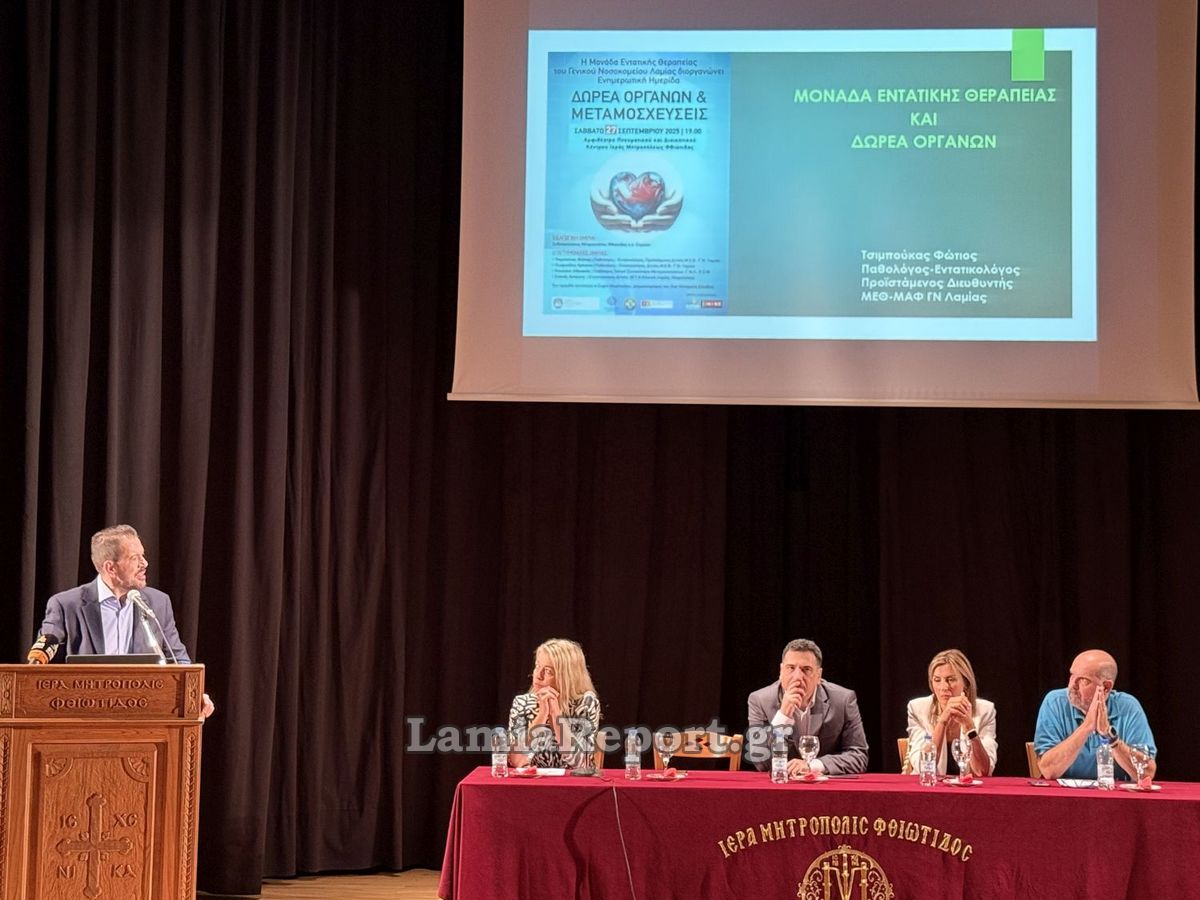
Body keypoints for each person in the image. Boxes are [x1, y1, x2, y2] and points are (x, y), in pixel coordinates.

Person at [36, 524, 215, 718]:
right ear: (111, 568)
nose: (144, 563)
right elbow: (43, 664)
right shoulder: (66, 605)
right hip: (84, 716)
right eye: (134, 558)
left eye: (142, 556)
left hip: (142, 717)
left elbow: (177, 657)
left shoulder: (158, 602)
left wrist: (195, 693)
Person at [747, 638, 868, 776]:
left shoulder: (843, 700)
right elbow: (761, 762)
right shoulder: (760, 700)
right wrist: (783, 715)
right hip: (783, 784)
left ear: (818, 675)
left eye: (806, 669)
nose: (798, 677)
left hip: (824, 785)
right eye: (791, 668)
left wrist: (813, 765)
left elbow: (859, 755)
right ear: (781, 671)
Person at [1034, 649, 1156, 782]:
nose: (1072, 686)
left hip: (1113, 792)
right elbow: (1048, 771)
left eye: (1083, 680)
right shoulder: (1054, 702)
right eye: (1072, 675)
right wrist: (1087, 727)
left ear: (1106, 687)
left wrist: (1110, 737)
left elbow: (1146, 774)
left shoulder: (1128, 706)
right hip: (1065, 793)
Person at [507, 638, 600, 770]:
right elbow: (514, 760)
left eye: (548, 671)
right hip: (535, 780)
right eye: (537, 666)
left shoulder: (586, 703)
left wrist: (556, 716)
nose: (538, 675)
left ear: (567, 677)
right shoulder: (522, 703)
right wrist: (541, 717)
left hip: (573, 781)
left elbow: (581, 764)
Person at [905, 649, 996, 777]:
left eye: (951, 679)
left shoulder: (985, 711)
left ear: (965, 683)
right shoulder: (918, 709)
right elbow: (923, 767)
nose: (944, 687)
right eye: (937, 680)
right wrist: (942, 722)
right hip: (931, 787)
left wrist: (969, 728)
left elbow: (982, 771)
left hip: (969, 788)